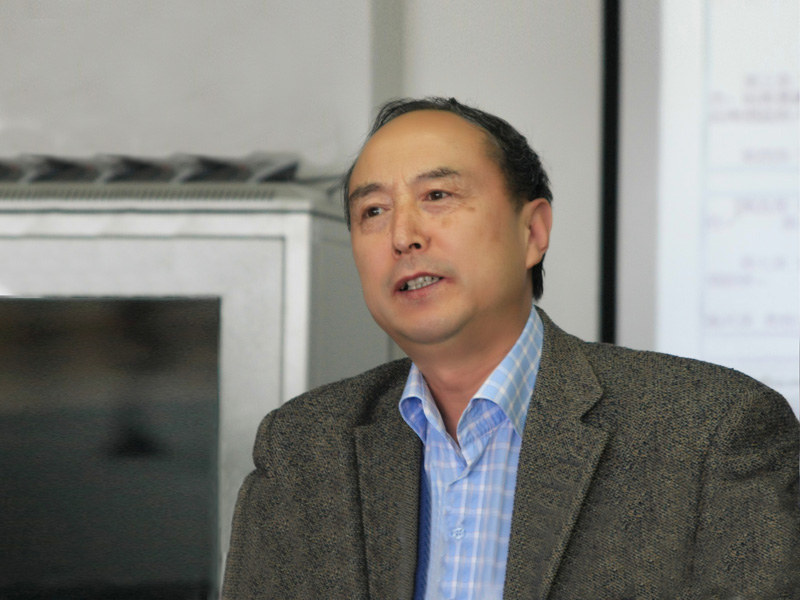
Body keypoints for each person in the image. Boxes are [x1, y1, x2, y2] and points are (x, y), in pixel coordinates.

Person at [222, 97, 800, 599]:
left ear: (533, 232)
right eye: (373, 211)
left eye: (438, 195)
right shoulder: (303, 448)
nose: (402, 236)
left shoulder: (710, 431)